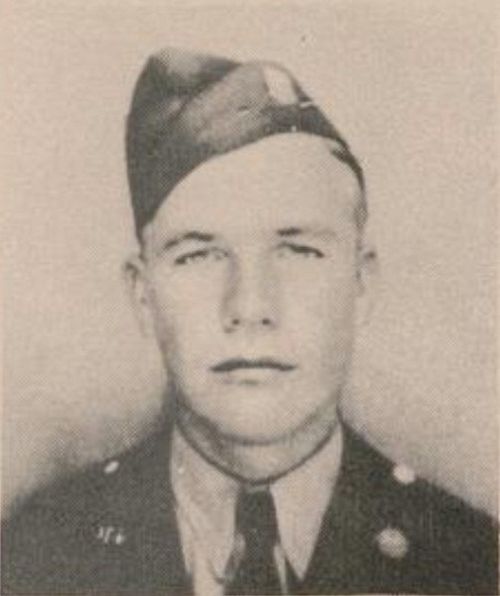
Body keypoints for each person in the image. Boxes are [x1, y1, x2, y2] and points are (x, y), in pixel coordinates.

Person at [1, 47, 498, 596]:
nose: (249, 306)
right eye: (199, 255)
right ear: (143, 296)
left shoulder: (472, 563)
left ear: (361, 285)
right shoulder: (32, 555)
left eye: (298, 251)